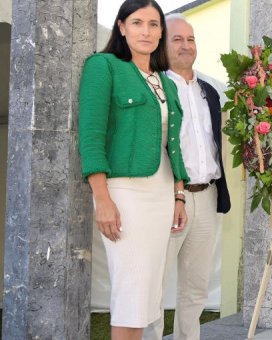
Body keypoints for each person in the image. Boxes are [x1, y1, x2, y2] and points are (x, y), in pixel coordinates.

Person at [78, 1, 190, 339]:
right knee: (130, 294)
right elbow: (92, 135)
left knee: (146, 296)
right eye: (137, 22)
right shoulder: (104, 66)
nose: (146, 31)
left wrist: (179, 195)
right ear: (122, 27)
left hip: (162, 195)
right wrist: (103, 199)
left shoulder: (165, 83)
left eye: (154, 24)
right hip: (125, 194)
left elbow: (173, 146)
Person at [142, 14, 231, 340]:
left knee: (196, 286)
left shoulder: (210, 90)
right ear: (163, 47)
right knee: (154, 282)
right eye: (177, 39)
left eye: (190, 39)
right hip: (166, 197)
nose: (185, 45)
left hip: (206, 196)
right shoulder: (154, 87)